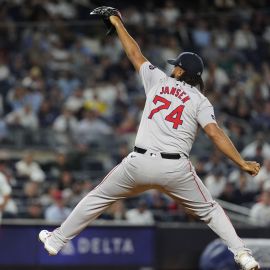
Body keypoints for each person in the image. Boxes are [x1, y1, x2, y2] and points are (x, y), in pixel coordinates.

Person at [39, 7, 260, 270]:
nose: (173, 68)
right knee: (211, 210)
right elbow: (214, 132)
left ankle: (57, 240)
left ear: (180, 72)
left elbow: (134, 52)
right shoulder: (201, 100)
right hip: (175, 169)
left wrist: (117, 24)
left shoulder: (157, 80)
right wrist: (241, 163)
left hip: (139, 163)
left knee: (98, 197)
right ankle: (243, 255)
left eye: (175, 65)